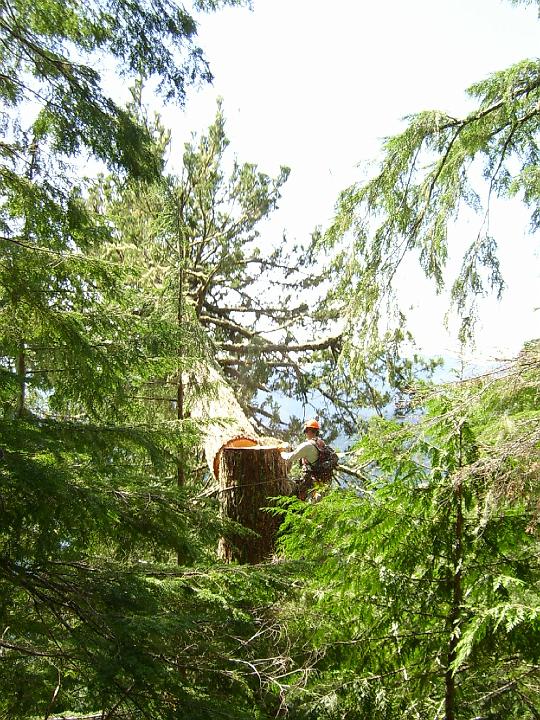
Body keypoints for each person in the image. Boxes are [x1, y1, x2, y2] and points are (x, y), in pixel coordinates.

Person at [280, 419, 335, 500]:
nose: (305, 433)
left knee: (296, 498)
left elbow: (290, 457)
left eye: (305, 431)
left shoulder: (307, 446)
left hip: (312, 483)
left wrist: (280, 452)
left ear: (308, 430)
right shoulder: (321, 443)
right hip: (322, 481)